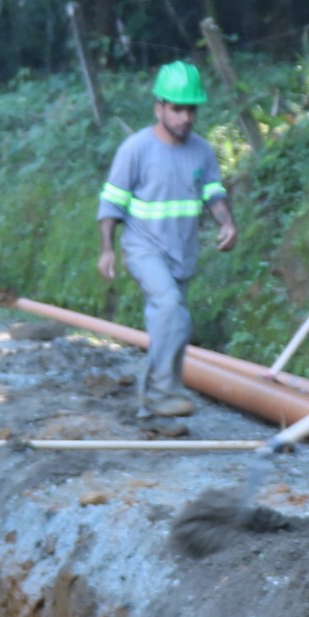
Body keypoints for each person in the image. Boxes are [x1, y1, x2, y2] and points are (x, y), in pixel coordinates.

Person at [95, 61, 236, 418]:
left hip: (182, 253)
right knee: (171, 309)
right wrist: (107, 249)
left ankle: (154, 414)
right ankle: (161, 392)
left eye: (191, 109)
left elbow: (213, 193)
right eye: (177, 108)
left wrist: (226, 222)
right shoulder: (136, 149)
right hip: (144, 248)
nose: (185, 117)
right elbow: (112, 201)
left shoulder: (202, 151)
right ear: (159, 107)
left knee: (170, 325)